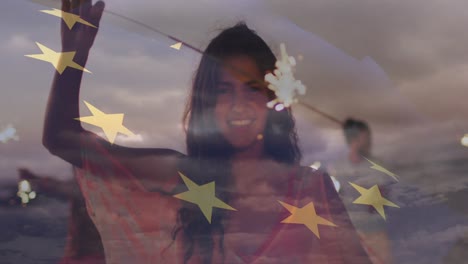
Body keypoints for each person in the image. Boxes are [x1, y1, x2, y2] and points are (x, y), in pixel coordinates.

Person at [42, 0, 371, 263]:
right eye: (224, 91)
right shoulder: (180, 175)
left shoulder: (311, 188)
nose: (238, 105)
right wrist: (74, 53)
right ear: (206, 103)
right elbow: (61, 139)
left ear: (273, 99)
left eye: (252, 89)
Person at [331, 118, 395, 264]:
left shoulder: (377, 166)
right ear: (354, 140)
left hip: (375, 233)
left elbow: (379, 202)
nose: (369, 142)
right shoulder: (336, 168)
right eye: (365, 138)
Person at [18, 168, 106, 264]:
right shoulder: (91, 185)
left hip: (91, 252)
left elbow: (63, 188)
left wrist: (35, 180)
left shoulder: (89, 186)